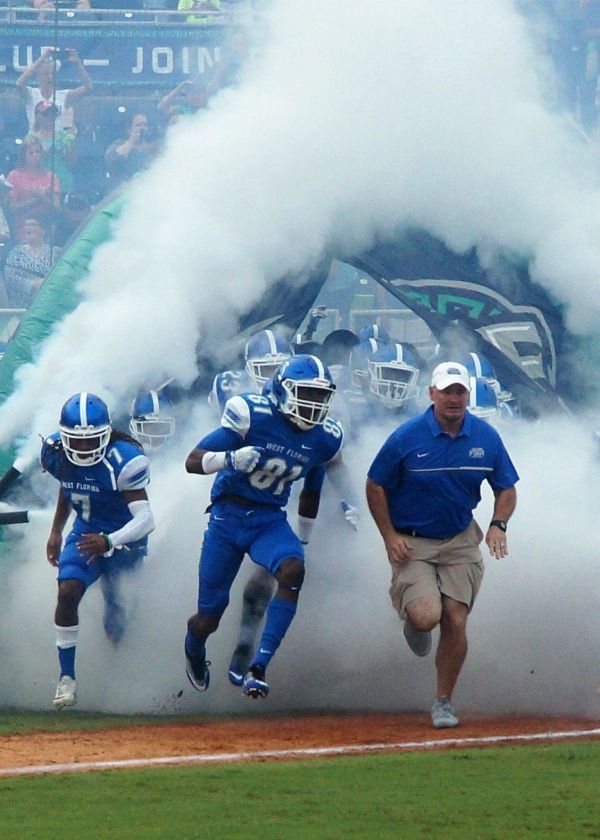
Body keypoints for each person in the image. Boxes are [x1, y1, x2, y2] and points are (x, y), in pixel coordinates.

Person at [366, 361, 518, 729]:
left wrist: (498, 524)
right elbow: (375, 484)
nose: (454, 398)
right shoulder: (406, 437)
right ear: (432, 393)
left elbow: (506, 487)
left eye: (460, 391)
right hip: (413, 541)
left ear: (468, 395)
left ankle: (443, 702)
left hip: (459, 538)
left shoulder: (486, 437)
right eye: (447, 391)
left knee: (456, 619)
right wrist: (389, 536)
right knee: (427, 616)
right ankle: (414, 621)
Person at [184, 354, 344, 699]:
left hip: (268, 519)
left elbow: (312, 489)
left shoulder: (325, 437)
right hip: (227, 518)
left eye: (320, 396)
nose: (314, 403)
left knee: (293, 569)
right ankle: (194, 647)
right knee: (208, 616)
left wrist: (303, 540)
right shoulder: (252, 414)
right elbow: (192, 461)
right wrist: (229, 459)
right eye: (307, 393)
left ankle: (259, 666)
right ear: (284, 390)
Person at [42, 392, 154, 709]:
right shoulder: (55, 453)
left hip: (125, 539)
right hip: (86, 533)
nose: (82, 447)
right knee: (68, 590)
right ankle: (66, 677)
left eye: (90, 439)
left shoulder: (123, 460)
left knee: (116, 616)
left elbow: (146, 519)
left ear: (105, 434)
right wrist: (56, 531)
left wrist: (109, 541)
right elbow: (69, 486)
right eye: (75, 440)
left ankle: (123, 674)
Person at [16, 47, 92, 134]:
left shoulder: (63, 95)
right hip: (35, 140)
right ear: (38, 76)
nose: (50, 77)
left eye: (52, 74)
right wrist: (42, 58)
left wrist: (77, 62)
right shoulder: (31, 94)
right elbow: (19, 83)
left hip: (56, 140)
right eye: (46, 74)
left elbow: (88, 88)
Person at [5, 135, 61, 240]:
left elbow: (56, 210)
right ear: (24, 155)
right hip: (22, 232)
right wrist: (37, 198)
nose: (35, 155)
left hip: (45, 233)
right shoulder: (14, 176)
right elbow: (12, 208)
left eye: (37, 152)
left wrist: (41, 197)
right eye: (30, 152)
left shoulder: (51, 177)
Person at [3, 217, 61, 308]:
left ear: (43, 230)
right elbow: (9, 277)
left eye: (33, 225)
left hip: (47, 305)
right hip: (21, 307)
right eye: (26, 225)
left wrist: (46, 283)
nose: (28, 227)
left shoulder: (55, 252)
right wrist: (32, 284)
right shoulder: (15, 252)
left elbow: (62, 274)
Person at [104, 113, 158, 186]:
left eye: (145, 125)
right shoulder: (119, 143)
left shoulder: (152, 147)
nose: (143, 128)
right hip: (124, 189)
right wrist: (131, 141)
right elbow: (111, 158)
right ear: (129, 129)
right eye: (138, 125)